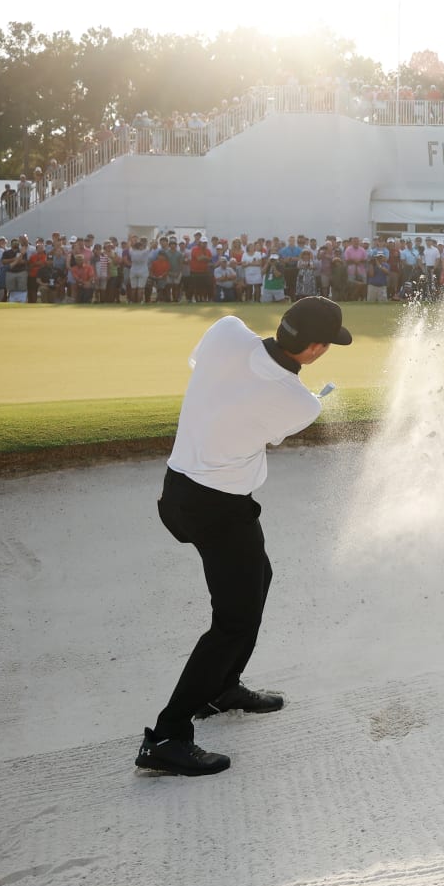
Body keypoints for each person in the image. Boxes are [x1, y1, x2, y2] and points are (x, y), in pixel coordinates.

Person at [137, 297, 350, 776]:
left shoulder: (227, 330)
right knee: (232, 622)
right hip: (220, 510)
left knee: (259, 580)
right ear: (315, 349)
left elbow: (229, 379)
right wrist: (305, 392)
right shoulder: (301, 403)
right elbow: (276, 413)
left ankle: (221, 689)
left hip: (178, 491)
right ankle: (167, 736)